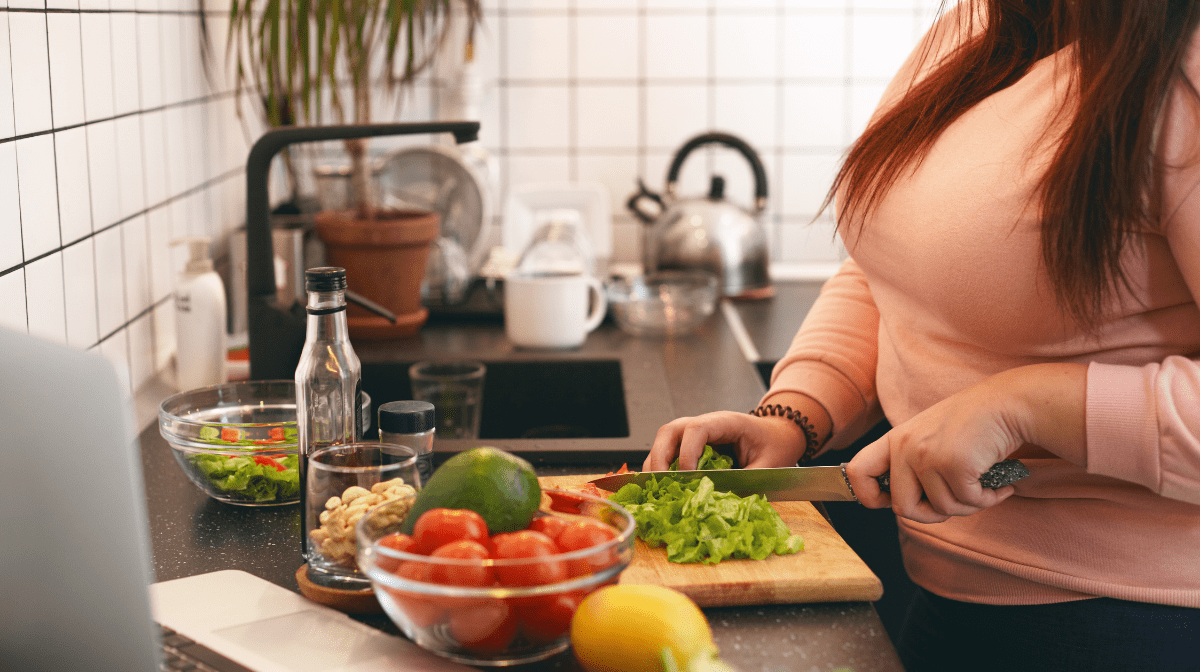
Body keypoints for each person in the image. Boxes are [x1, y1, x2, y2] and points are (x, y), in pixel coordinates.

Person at [645, 1, 1200, 670]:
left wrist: (1025, 405)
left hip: (1128, 625)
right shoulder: (979, 24)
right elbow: (891, 269)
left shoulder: (1182, 68)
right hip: (939, 589)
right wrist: (794, 414)